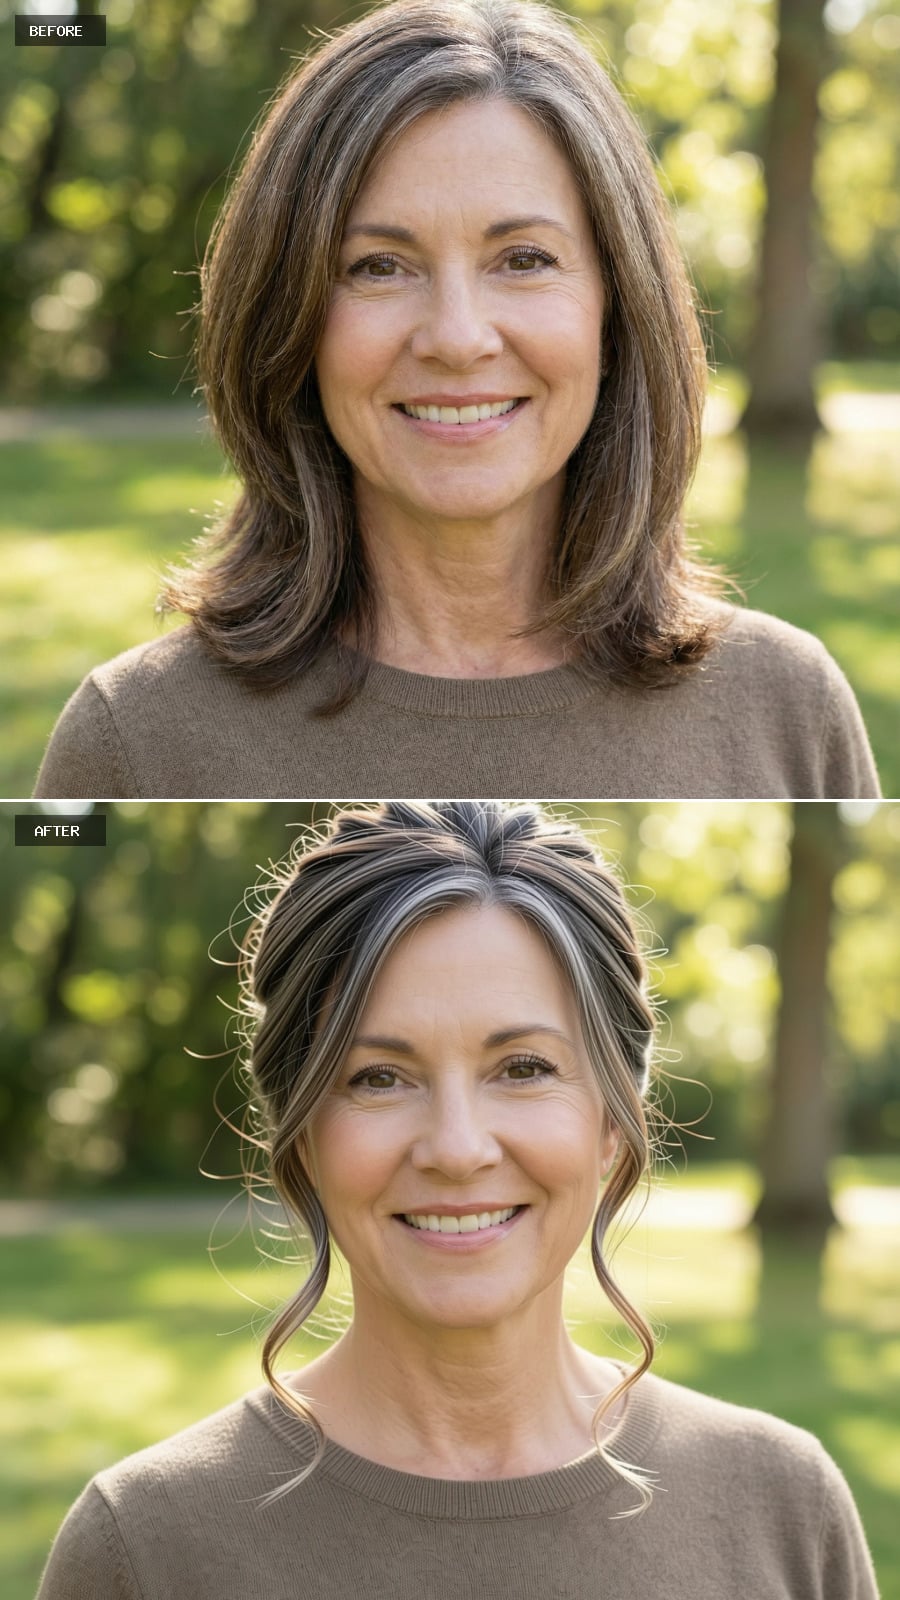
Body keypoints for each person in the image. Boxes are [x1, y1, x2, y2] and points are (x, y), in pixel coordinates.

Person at [33, 0, 879, 800]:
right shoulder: (137, 741)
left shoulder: (786, 710)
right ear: (287, 320)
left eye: (523, 259)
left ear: (618, 307)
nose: (457, 336)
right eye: (378, 267)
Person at [37, 801, 879, 1598]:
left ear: (613, 1122)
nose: (457, 1148)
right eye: (378, 1077)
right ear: (299, 1133)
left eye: (522, 1068)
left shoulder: (783, 1505)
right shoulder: (145, 1546)